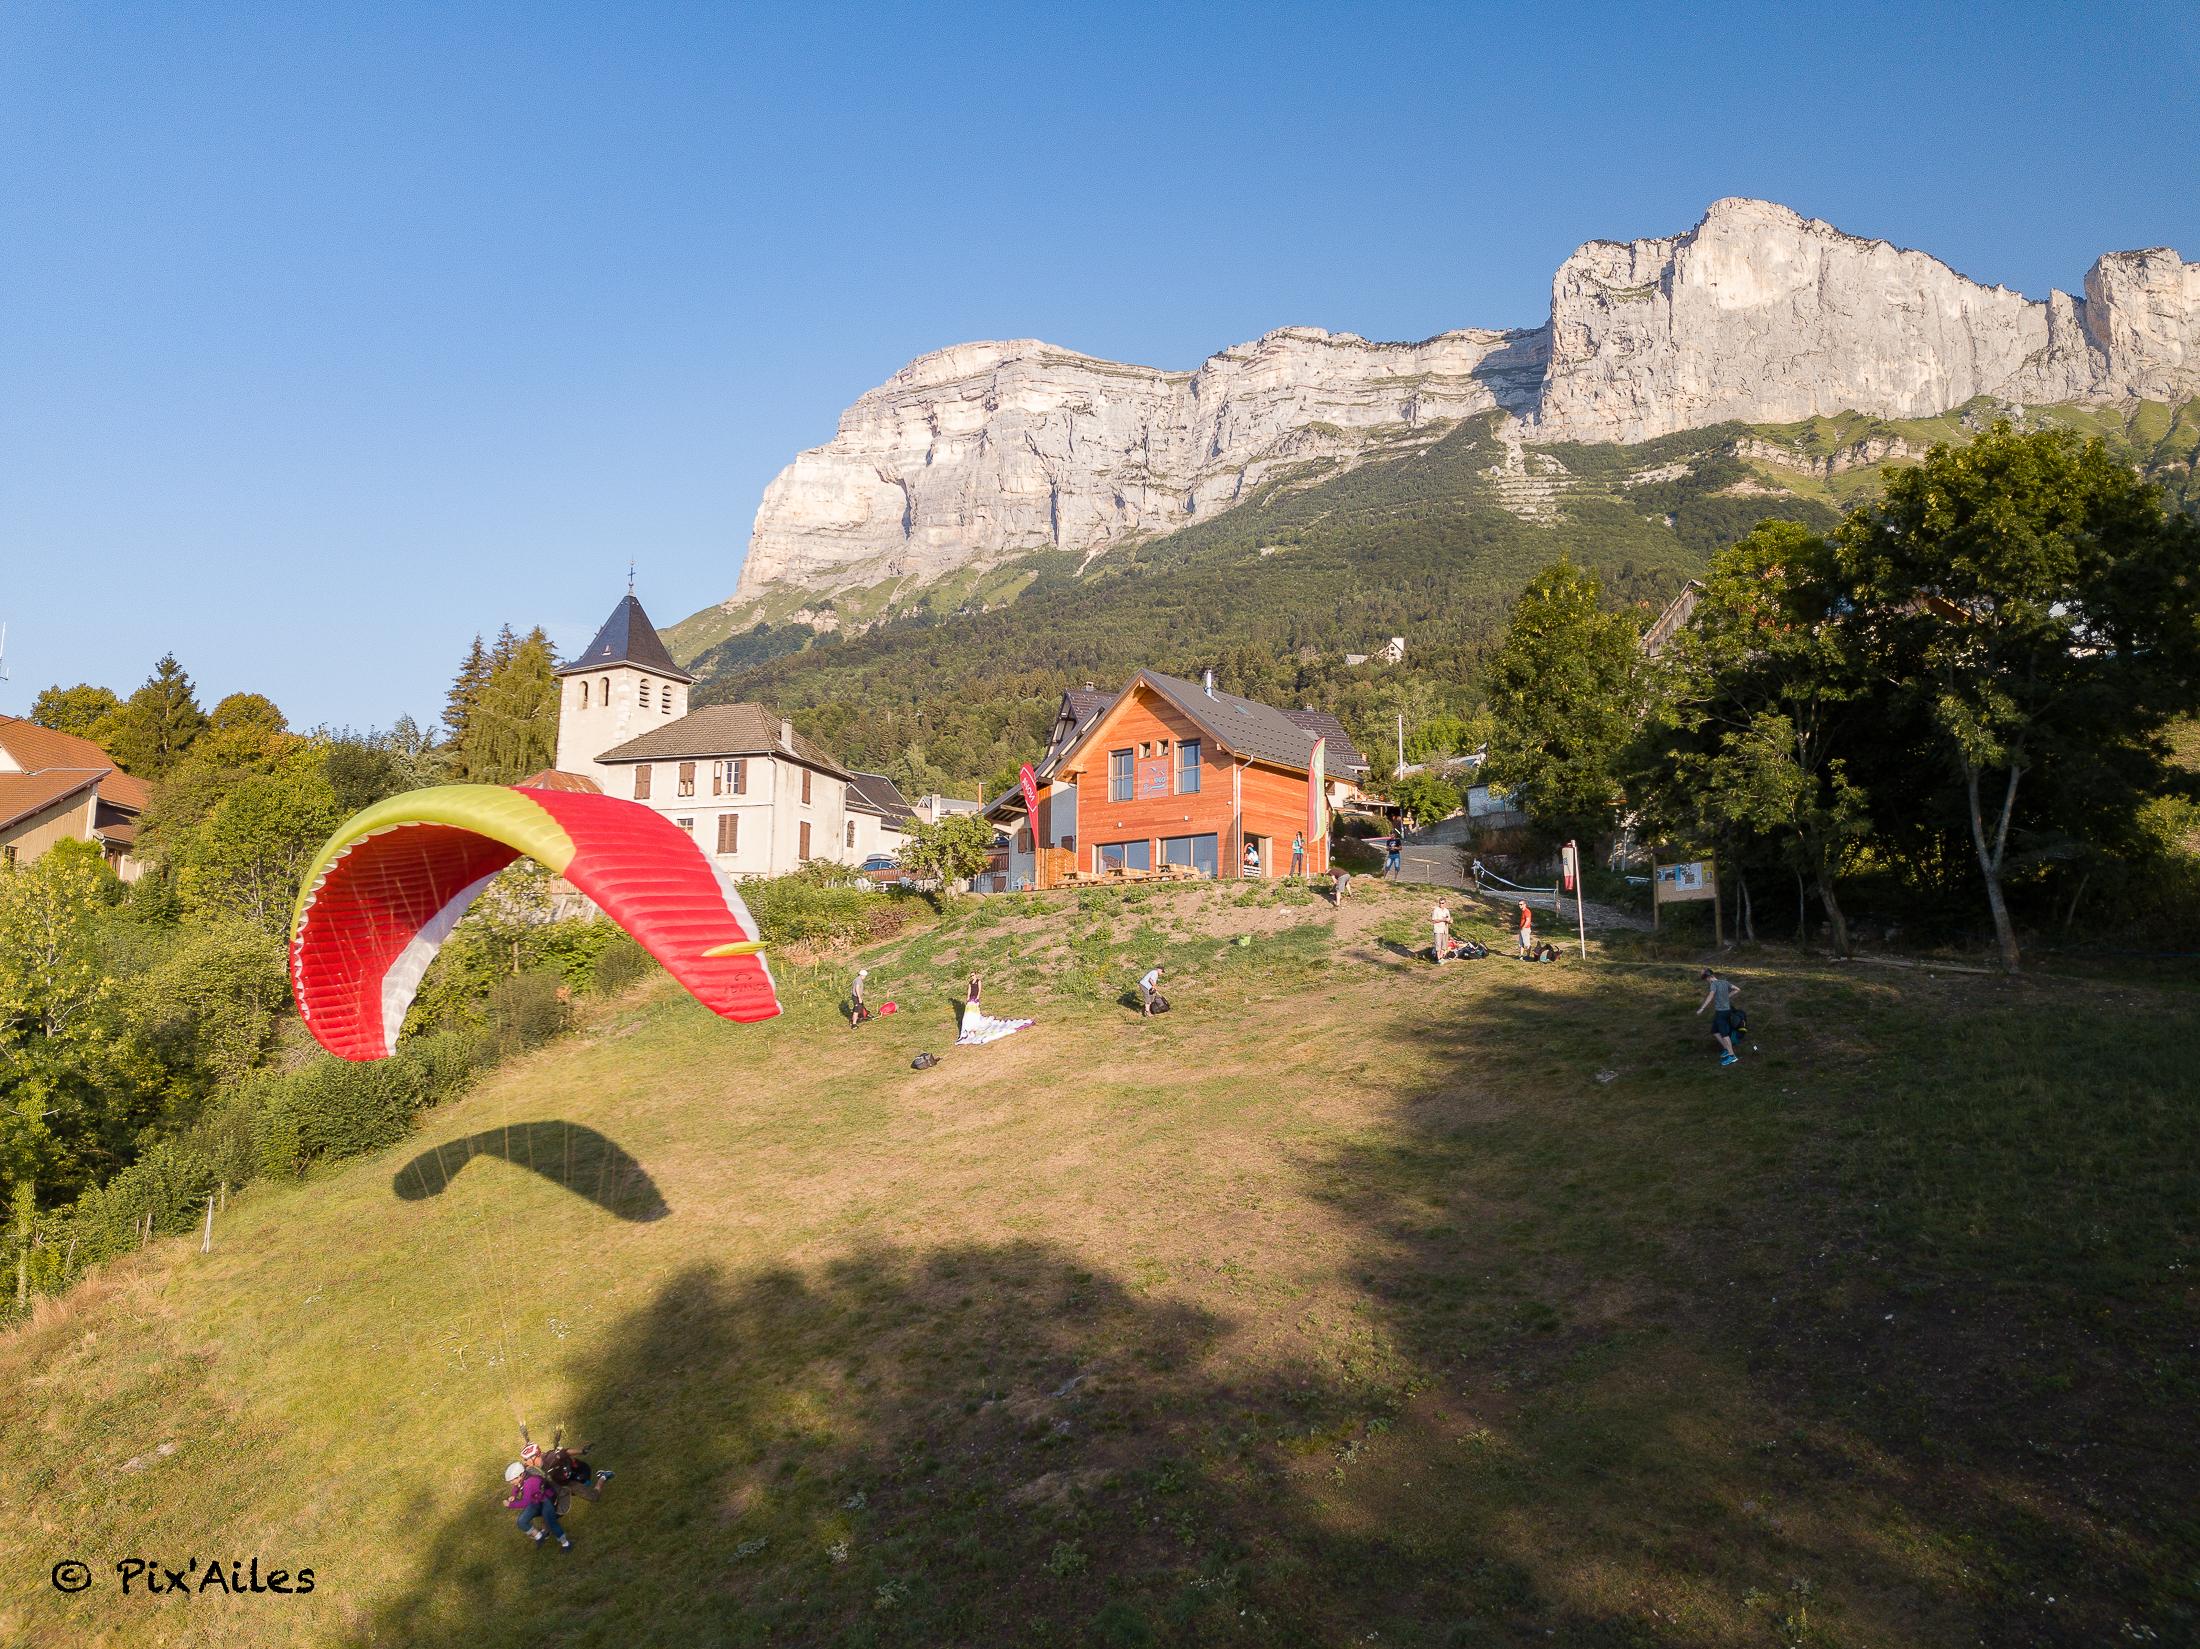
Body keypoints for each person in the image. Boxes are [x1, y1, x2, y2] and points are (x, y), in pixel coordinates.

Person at [504, 1460, 570, 1549]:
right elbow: (517, 1486)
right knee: (521, 1521)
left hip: (546, 1501)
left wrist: (510, 1505)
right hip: (535, 1501)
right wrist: (513, 1495)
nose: (511, 1483)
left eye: (512, 1480)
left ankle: (566, 1543)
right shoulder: (523, 1477)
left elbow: (525, 1502)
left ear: (521, 1475)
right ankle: (539, 1536)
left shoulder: (529, 1483)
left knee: (551, 1523)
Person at [1696, 968, 1743, 1065]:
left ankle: (1732, 1056)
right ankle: (1726, 1049)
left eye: (1706, 979)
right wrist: (1727, 996)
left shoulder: (1713, 984)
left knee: (1724, 1034)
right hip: (1725, 1011)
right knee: (1715, 1031)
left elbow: (1710, 996)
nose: (1707, 981)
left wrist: (1702, 1008)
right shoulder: (1724, 982)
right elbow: (1737, 989)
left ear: (1708, 978)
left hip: (1722, 1013)